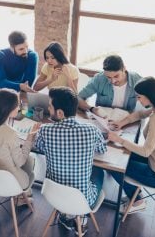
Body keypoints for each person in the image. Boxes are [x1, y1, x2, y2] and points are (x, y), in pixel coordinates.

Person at [35, 87, 107, 234]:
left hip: (52, 194)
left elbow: (39, 148)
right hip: (83, 200)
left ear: (60, 113)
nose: (48, 109)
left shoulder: (45, 130)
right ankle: (81, 217)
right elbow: (102, 150)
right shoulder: (92, 130)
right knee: (99, 172)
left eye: (50, 106)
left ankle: (66, 214)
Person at [107, 77, 155, 214]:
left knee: (115, 166)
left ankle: (137, 200)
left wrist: (120, 139)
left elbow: (146, 151)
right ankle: (134, 192)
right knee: (123, 155)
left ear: (149, 96)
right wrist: (122, 122)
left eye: (140, 97)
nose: (138, 100)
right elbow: (140, 114)